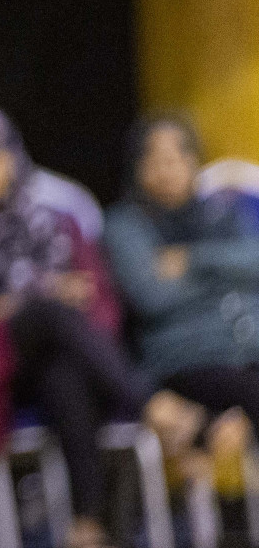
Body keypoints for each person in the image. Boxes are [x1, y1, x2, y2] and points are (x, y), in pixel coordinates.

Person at [0, 103, 202, 548]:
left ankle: (87, 524)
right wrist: (26, 299)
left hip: (62, 366)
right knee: (46, 310)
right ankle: (152, 404)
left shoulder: (57, 224)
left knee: (64, 373)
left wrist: (3, 310)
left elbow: (101, 310)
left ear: (13, 158)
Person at [103, 115, 259, 482]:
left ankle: (218, 432)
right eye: (154, 160)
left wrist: (192, 259)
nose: (166, 170)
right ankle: (216, 433)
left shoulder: (222, 212)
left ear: (194, 162)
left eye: (176, 159)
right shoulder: (126, 225)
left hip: (246, 350)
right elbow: (151, 295)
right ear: (137, 167)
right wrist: (227, 278)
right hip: (183, 360)